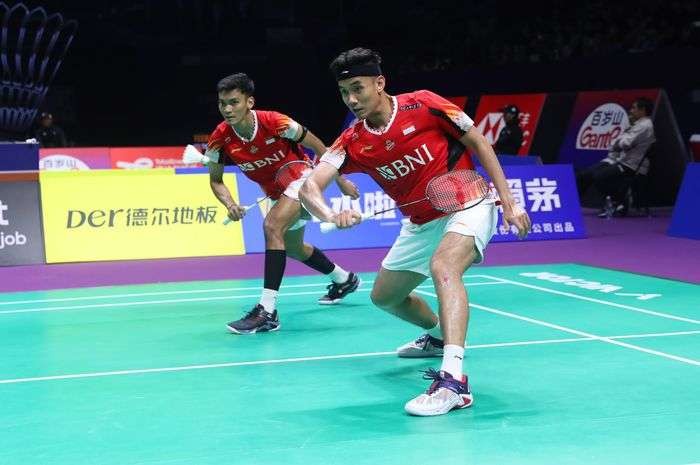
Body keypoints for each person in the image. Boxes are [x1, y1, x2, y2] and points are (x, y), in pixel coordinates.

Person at [300, 48, 531, 416]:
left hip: (468, 200)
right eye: (344, 92)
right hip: (421, 221)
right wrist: (330, 212)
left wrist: (510, 200)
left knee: (444, 268)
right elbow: (310, 187)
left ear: (380, 82)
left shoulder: (423, 105)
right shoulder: (352, 140)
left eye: (358, 88)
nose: (352, 99)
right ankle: (438, 335)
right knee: (385, 297)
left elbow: (478, 142)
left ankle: (454, 381)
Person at [205, 73, 361, 334]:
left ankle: (267, 311)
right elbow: (216, 180)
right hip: (276, 193)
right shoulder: (220, 139)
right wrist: (230, 204)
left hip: (303, 179)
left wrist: (340, 180)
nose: (228, 109)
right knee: (294, 248)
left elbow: (321, 147)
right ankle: (344, 279)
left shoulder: (275, 122)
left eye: (234, 102)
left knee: (272, 227)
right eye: (223, 103)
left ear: (249, 102)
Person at [576, 98, 655, 217]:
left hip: (631, 165)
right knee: (584, 175)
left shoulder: (645, 126)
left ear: (643, 110)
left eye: (634, 108)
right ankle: (573, 205)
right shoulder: (635, 124)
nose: (631, 110)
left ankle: (620, 201)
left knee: (599, 177)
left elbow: (625, 144)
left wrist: (618, 144)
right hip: (617, 160)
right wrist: (618, 144)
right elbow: (616, 144)